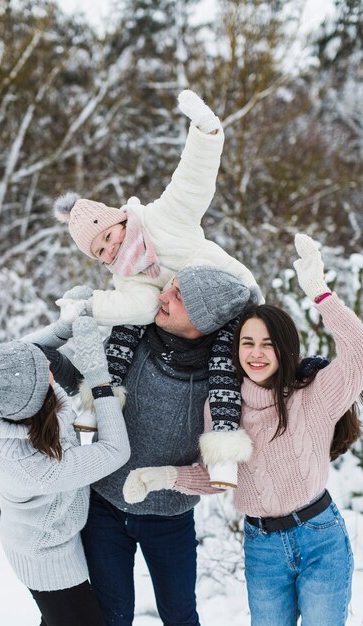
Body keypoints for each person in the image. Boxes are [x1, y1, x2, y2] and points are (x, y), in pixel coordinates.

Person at [127, 234, 363, 626]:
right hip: (262, 546)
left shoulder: (314, 395)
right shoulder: (222, 406)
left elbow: (358, 353)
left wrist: (320, 293)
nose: (256, 353)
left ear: (285, 349)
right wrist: (165, 477)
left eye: (267, 344)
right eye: (247, 343)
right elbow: (219, 478)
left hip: (320, 537)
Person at [53, 89, 263, 486]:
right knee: (125, 330)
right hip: (175, 310)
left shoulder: (162, 219)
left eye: (109, 236)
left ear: (119, 219)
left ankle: (224, 451)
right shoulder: (126, 275)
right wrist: (89, 305)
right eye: (101, 251)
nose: (111, 248)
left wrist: (204, 131)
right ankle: (98, 403)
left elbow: (191, 183)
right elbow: (139, 304)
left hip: (230, 300)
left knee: (222, 367)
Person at [78, 265, 257, 626]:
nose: (162, 296)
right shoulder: (131, 340)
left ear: (204, 320)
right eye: (169, 288)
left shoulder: (225, 376)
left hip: (171, 517)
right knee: (111, 616)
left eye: (177, 297)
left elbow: (221, 467)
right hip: (104, 507)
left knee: (180, 616)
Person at [0, 314, 130, 626]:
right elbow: (115, 451)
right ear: (36, 400)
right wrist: (99, 378)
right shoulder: (34, 467)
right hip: (48, 558)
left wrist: (64, 325)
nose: (50, 367)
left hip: (52, 534)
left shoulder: (7, 399)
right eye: (45, 372)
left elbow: (26, 351)